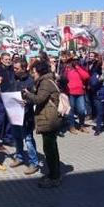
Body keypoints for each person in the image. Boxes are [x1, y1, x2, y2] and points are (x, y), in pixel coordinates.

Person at [22, 60, 62, 188]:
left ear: (38, 71)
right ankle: (55, 173)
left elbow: (39, 99)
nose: (32, 74)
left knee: (49, 148)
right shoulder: (45, 81)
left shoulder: (45, 82)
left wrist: (28, 95)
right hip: (49, 117)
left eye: (33, 72)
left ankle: (54, 177)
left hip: (49, 118)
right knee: (51, 147)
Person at [7, 59, 40, 175]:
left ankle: (34, 163)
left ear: (24, 68)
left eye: (17, 68)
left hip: (26, 116)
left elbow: (36, 98)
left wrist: (28, 102)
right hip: (14, 114)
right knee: (17, 137)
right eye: (14, 68)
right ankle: (19, 157)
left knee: (29, 140)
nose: (14, 70)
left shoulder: (31, 82)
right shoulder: (13, 78)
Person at [63, 57, 90, 133]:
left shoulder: (79, 69)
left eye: (74, 61)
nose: (73, 63)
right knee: (71, 111)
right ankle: (71, 126)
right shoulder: (67, 70)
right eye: (71, 61)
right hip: (70, 92)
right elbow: (63, 79)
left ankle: (82, 125)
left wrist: (77, 67)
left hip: (80, 92)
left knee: (81, 110)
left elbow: (86, 76)